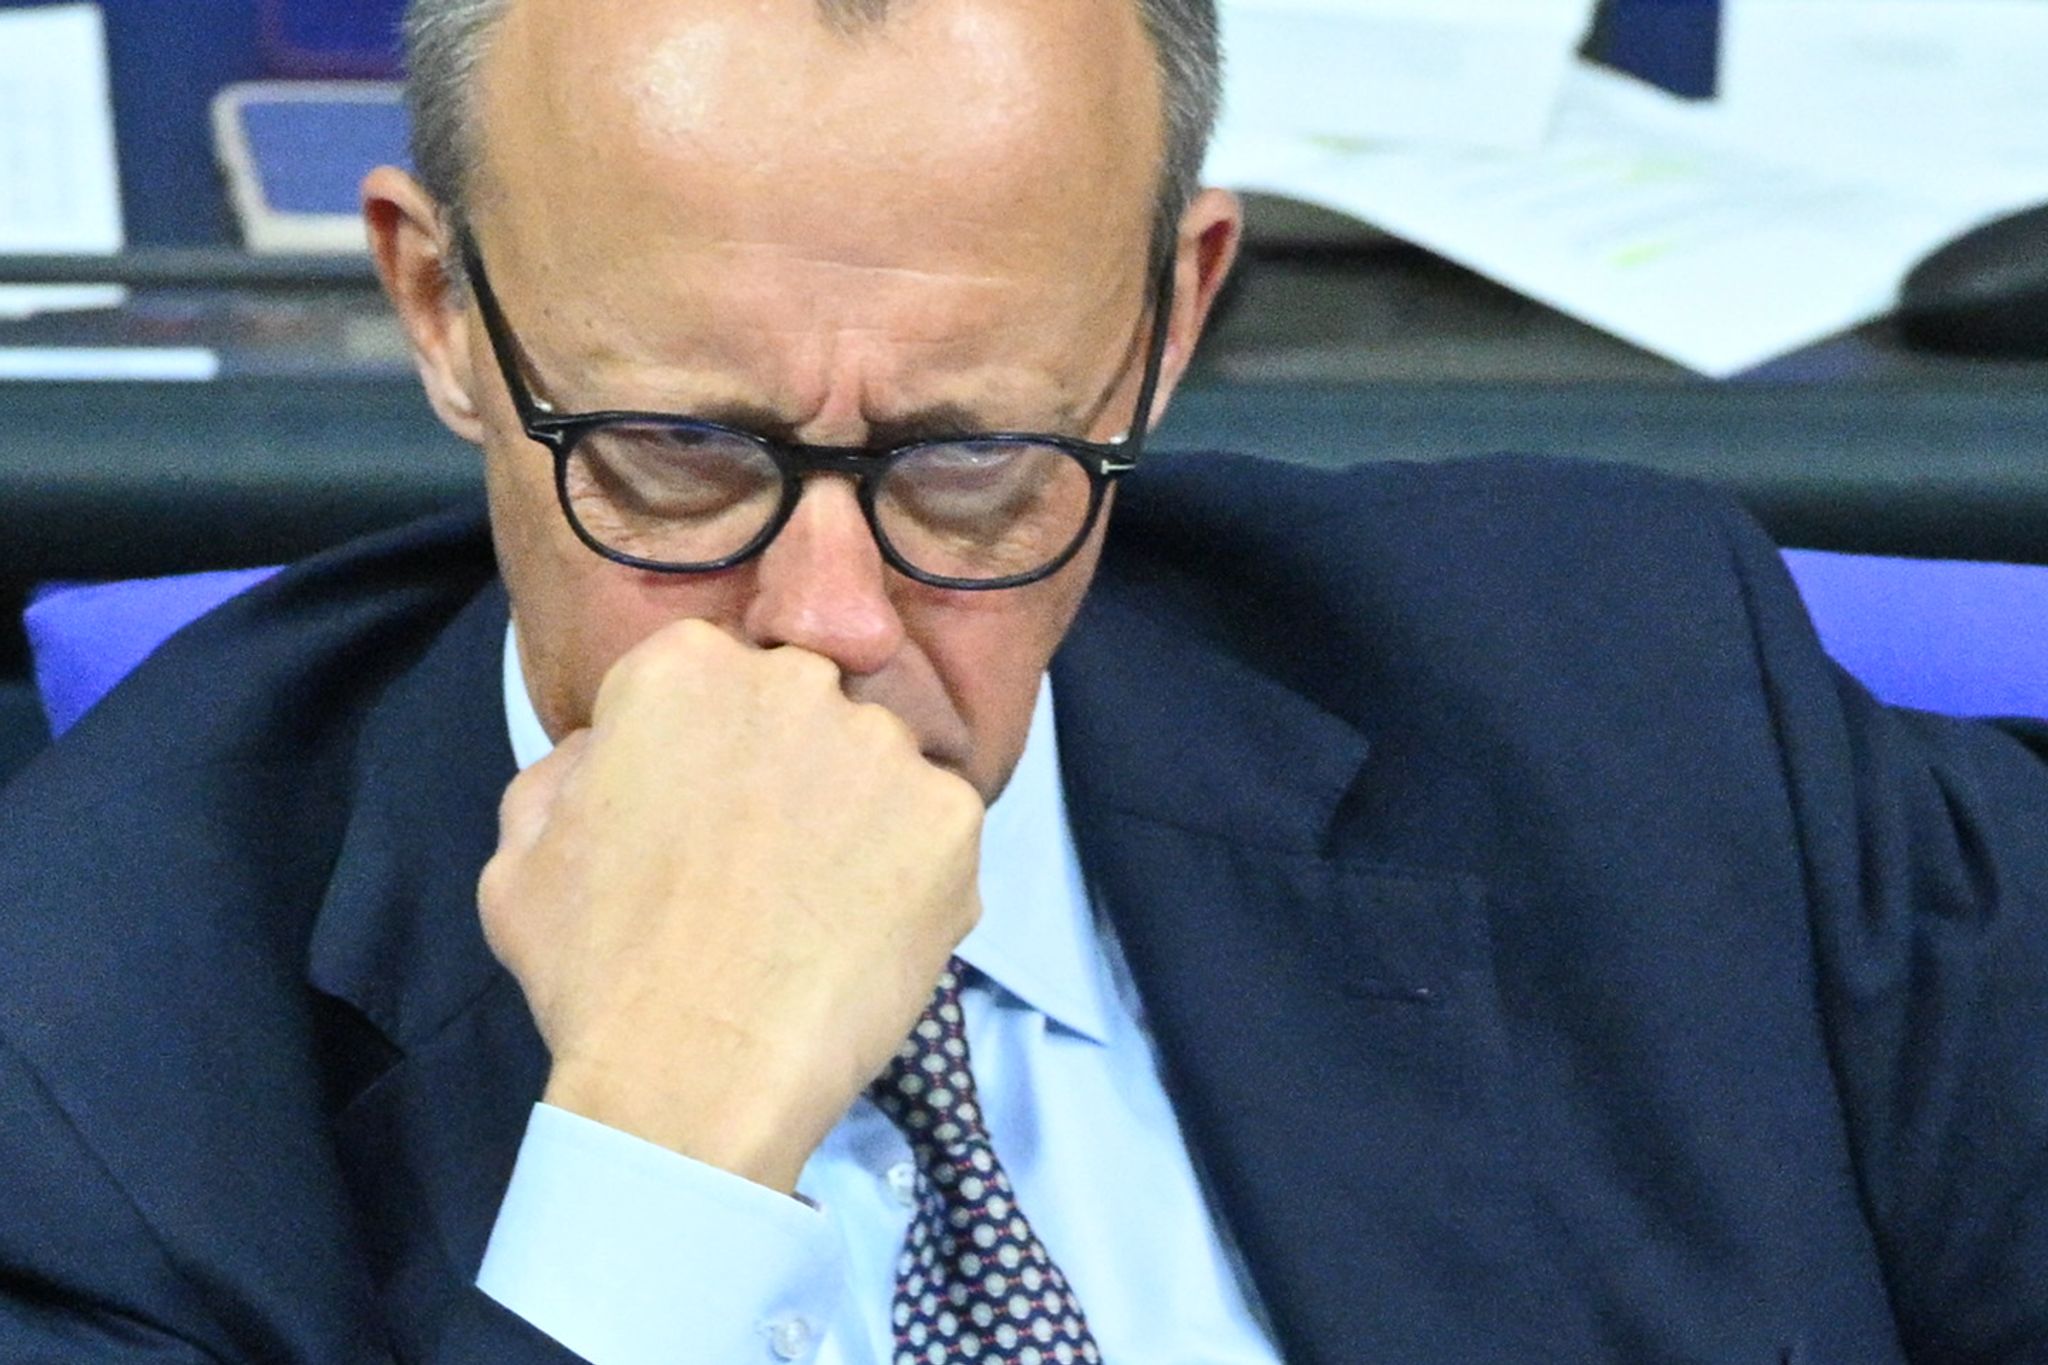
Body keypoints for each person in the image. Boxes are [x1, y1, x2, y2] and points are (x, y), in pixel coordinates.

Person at [1, 0, 2046, 1360]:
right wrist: (654, 1158)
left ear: (1166, 323)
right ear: (442, 307)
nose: (828, 620)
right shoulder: (83, 1055)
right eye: (677, 451)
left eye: (972, 459)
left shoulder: (1626, 693)